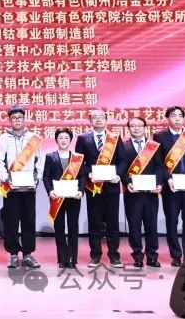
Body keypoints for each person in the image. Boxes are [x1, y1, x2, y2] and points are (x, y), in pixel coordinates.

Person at [0, 105, 46, 269]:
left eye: (19, 117)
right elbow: (0, 162)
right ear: (10, 120)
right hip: (11, 187)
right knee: (10, 221)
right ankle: (13, 254)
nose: (17, 120)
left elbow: (40, 161)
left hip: (28, 187)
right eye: (14, 118)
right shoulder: (3, 138)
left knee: (28, 220)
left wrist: (36, 179)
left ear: (24, 119)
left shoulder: (33, 138)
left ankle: (27, 254)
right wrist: (5, 179)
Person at [74, 108, 125, 268]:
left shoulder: (115, 138)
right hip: (93, 186)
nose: (98, 119)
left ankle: (114, 256)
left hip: (112, 185)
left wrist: (117, 175)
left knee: (113, 223)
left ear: (106, 120)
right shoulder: (83, 138)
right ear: (90, 120)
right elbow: (79, 161)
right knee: (94, 222)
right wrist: (88, 174)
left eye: (101, 117)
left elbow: (123, 160)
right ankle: (95, 255)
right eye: (94, 117)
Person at [153, 106, 185, 267]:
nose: (178, 119)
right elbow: (158, 162)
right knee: (172, 221)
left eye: (180, 116)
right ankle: (175, 255)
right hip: (171, 186)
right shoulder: (160, 136)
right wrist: (168, 179)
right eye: (173, 116)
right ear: (167, 118)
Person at [118, 117, 164, 268]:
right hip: (132, 192)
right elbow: (122, 168)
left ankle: (152, 256)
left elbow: (159, 167)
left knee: (151, 225)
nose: (136, 128)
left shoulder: (154, 146)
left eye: (139, 126)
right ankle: (137, 256)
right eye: (133, 126)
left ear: (145, 128)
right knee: (134, 226)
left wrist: (159, 183)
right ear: (128, 129)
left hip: (151, 193)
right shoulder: (122, 146)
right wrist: (127, 183)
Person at [43, 128, 85, 269]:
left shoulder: (77, 158)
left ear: (70, 140)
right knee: (59, 227)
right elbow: (46, 176)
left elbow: (82, 176)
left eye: (66, 138)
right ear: (56, 140)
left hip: (74, 196)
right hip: (57, 197)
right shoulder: (50, 157)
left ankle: (72, 258)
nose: (63, 140)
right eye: (60, 138)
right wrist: (50, 191)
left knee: (73, 227)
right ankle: (62, 258)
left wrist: (81, 190)